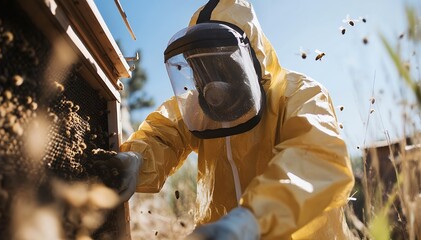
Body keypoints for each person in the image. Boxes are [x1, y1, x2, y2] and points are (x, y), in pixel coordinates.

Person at [110, 0, 355, 239]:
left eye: (221, 61)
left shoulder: (301, 94)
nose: (211, 75)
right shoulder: (198, 107)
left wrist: (251, 220)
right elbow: (163, 133)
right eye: (201, 64)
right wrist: (137, 158)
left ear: (250, 57)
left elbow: (315, 160)